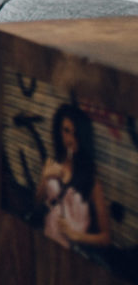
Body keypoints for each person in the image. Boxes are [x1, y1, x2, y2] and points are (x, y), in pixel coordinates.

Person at [37, 103, 111, 250]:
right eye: (66, 131)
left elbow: (106, 237)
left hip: (71, 254)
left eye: (75, 133)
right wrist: (44, 178)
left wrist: (75, 235)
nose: (70, 139)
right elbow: (38, 203)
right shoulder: (53, 164)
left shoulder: (91, 179)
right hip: (47, 241)